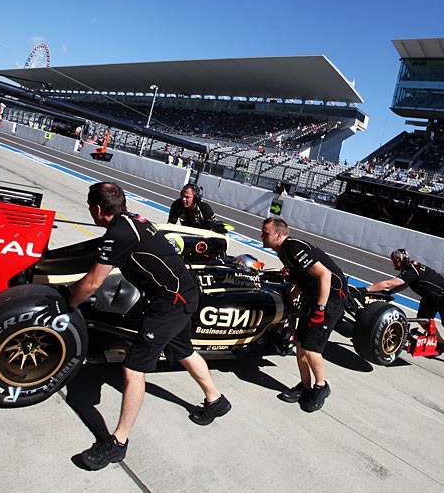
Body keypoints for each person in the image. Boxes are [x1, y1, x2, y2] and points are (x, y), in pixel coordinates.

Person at [70, 182, 230, 470]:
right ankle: (216, 400)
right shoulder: (133, 221)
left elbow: (93, 283)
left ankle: (117, 442)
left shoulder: (119, 232)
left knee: (133, 368)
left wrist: (67, 306)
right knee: (182, 349)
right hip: (181, 292)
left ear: (96, 209)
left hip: (172, 299)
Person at [261, 217, 347, 412]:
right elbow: (303, 278)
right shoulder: (283, 252)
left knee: (310, 348)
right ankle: (305, 387)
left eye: (266, 234)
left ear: (279, 235)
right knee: (299, 344)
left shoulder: (292, 248)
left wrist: (320, 309)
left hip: (331, 297)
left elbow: (325, 275)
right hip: (313, 294)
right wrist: (291, 297)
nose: (262, 237)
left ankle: (321, 386)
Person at [363, 249, 444, 369]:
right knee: (424, 320)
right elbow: (405, 284)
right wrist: (390, 293)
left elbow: (389, 283)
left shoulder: (411, 271)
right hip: (431, 296)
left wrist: (367, 289)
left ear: (400, 261)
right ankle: (442, 344)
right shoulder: (410, 269)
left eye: (394, 262)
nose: (393, 264)